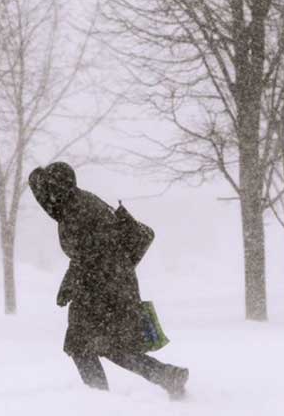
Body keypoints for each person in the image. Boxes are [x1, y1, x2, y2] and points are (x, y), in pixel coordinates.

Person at [28, 162, 189, 400]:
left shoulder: (77, 211)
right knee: (112, 346)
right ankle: (166, 376)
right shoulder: (79, 203)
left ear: (59, 188)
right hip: (111, 283)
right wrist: (72, 281)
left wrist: (71, 283)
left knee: (81, 344)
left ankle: (99, 402)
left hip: (102, 287)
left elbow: (92, 252)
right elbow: (92, 251)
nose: (45, 199)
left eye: (49, 190)